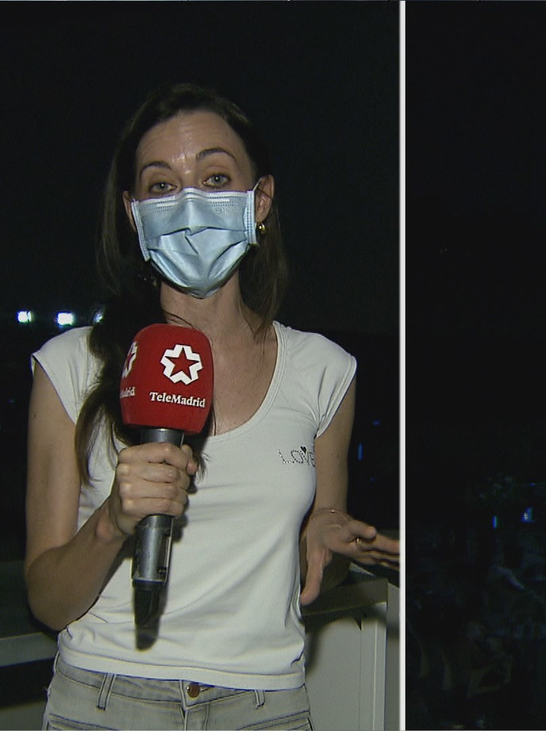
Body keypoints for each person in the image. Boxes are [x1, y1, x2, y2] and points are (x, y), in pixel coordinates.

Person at [24, 82, 399, 729]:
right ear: (132, 211)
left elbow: (321, 576)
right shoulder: (70, 365)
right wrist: (114, 519)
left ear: (260, 202)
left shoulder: (325, 370)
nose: (190, 202)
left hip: (266, 704)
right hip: (107, 700)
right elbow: (49, 600)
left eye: (215, 175)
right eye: (162, 185)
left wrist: (329, 541)